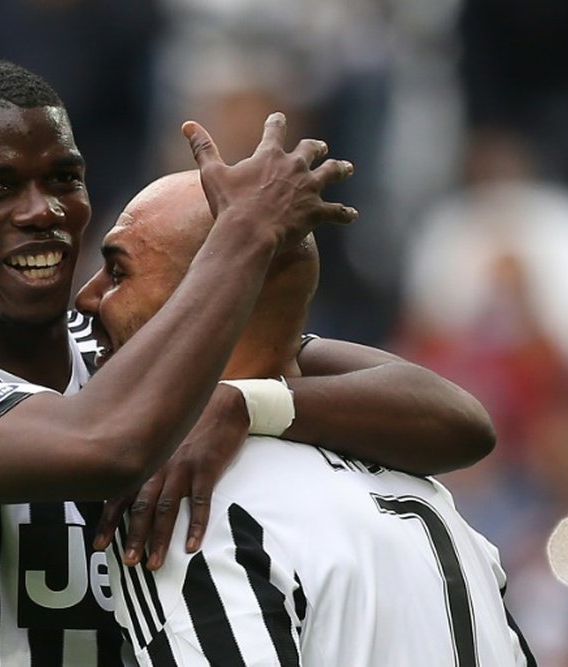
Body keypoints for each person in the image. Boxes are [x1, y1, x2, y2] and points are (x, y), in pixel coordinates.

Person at [0, 57, 493, 666]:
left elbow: (458, 420)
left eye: (64, 178)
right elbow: (107, 443)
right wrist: (243, 233)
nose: (42, 211)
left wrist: (243, 402)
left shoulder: (125, 339)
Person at [76, 170, 536, 666]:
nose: (86, 297)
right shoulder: (434, 500)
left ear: (211, 297)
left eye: (119, 272)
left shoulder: (188, 503)